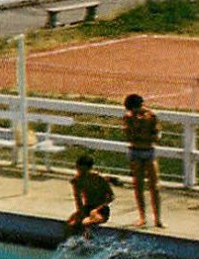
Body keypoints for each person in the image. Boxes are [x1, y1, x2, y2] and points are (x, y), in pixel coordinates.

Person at [122, 93, 162, 227]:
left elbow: (156, 136)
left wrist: (145, 127)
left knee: (154, 186)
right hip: (136, 151)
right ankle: (142, 217)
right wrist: (137, 125)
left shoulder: (151, 116)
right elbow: (130, 137)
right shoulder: (128, 118)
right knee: (138, 185)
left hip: (148, 151)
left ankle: (158, 218)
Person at [66, 153, 114, 236]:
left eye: (83, 171)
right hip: (87, 207)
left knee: (86, 222)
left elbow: (110, 196)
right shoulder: (77, 181)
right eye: (79, 170)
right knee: (71, 224)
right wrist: (81, 213)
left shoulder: (98, 179)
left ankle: (89, 241)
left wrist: (98, 209)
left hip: (101, 209)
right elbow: (78, 200)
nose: (81, 173)